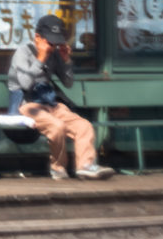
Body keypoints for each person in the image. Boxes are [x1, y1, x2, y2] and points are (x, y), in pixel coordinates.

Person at [6, 14, 114, 181]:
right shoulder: (23, 52)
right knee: (57, 126)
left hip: (50, 103)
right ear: (37, 37)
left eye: (56, 42)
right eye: (50, 41)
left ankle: (85, 166)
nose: (53, 46)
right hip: (27, 105)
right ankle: (57, 168)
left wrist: (66, 61)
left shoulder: (54, 54)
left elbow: (68, 82)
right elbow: (25, 84)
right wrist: (41, 58)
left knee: (84, 126)